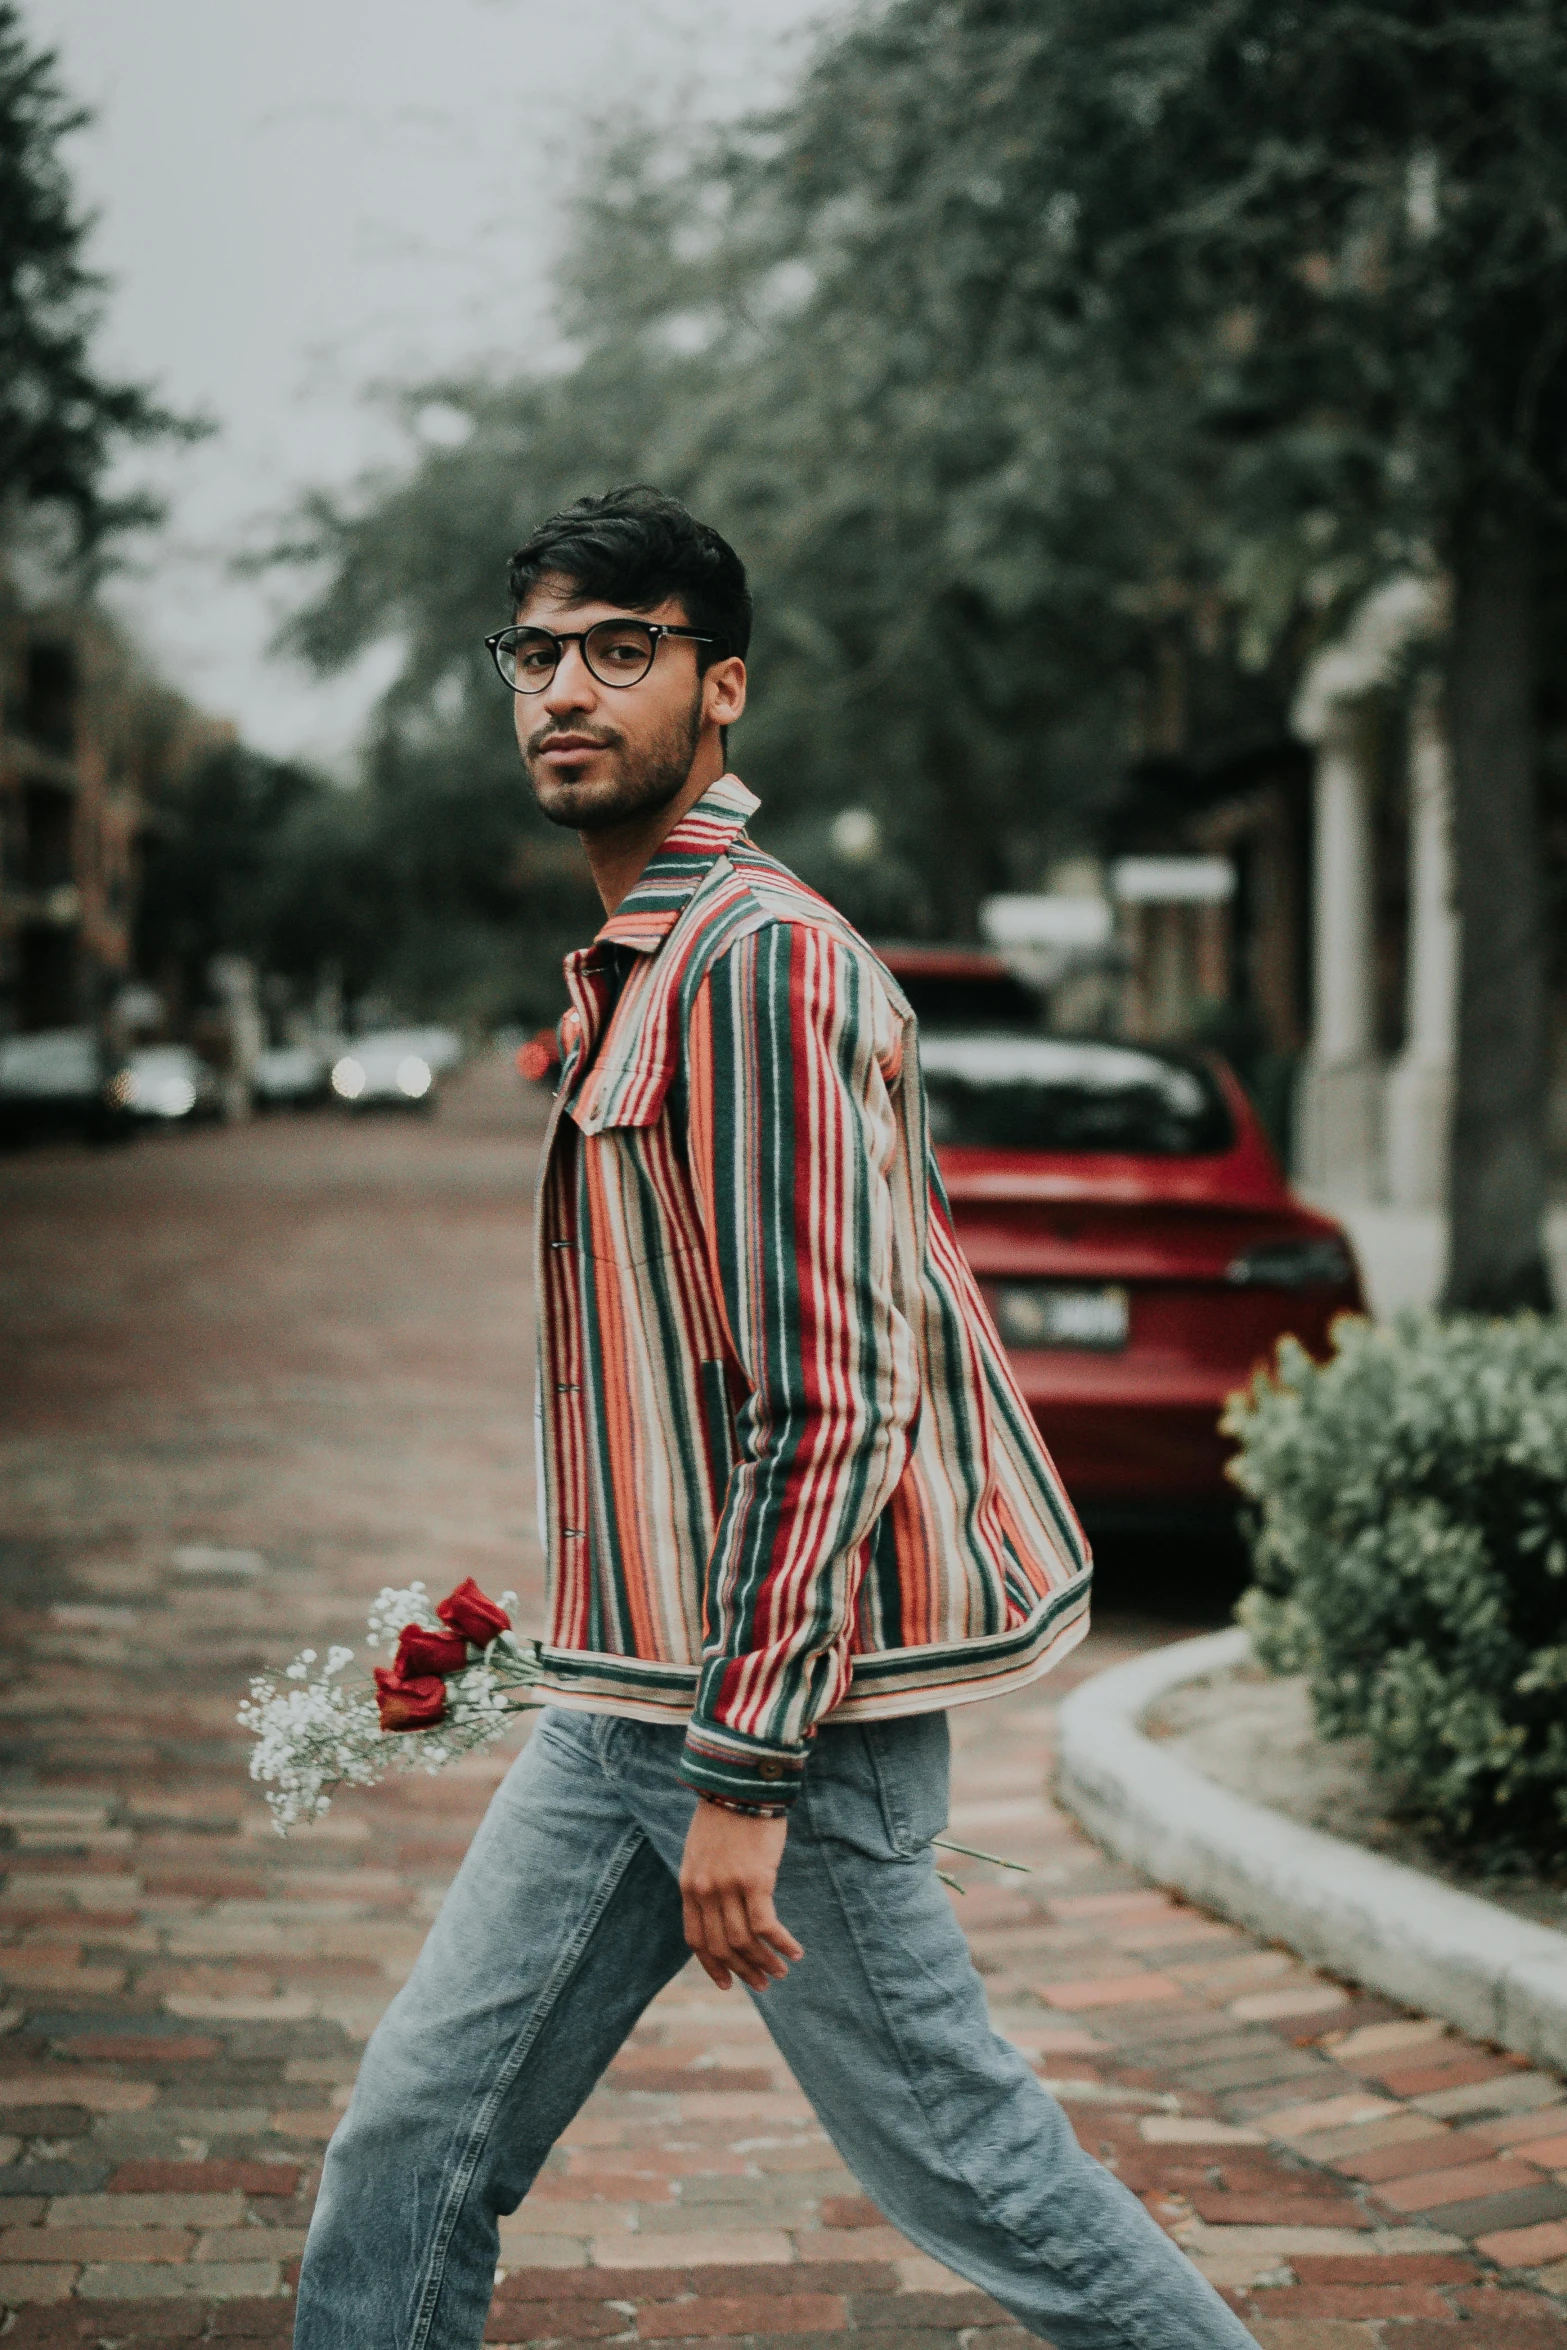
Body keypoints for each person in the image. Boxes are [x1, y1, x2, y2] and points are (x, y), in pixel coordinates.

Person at [292, 487, 1258, 2350]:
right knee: (408, 2142)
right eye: (539, 654)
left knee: (977, 2173)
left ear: (720, 688)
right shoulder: (640, 960)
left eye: (622, 649)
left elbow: (833, 1390)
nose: (567, 689)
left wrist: (743, 1773)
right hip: (625, 1694)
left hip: (769, 1722)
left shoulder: (753, 960)